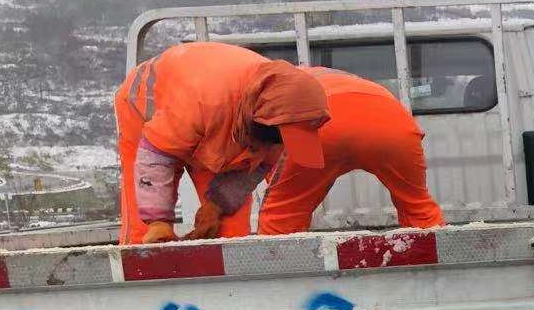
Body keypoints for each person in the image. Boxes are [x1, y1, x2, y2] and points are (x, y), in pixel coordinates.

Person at [115, 41, 330, 245]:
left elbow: (254, 167)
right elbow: (156, 156)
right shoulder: (206, 103)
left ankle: (223, 273)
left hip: (216, 126)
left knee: (228, 229)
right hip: (145, 110)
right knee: (147, 234)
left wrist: (215, 206)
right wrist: (158, 221)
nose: (277, 145)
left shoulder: (285, 121)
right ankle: (143, 264)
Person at [255, 67, 443, 235]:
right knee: (417, 206)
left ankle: (277, 261)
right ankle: (439, 257)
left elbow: (269, 144)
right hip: (392, 120)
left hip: (323, 120)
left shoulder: (268, 88)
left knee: (282, 213)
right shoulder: (327, 75)